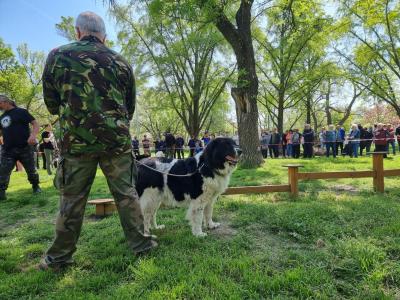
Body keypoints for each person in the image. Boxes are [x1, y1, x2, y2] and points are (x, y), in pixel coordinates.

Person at [40, 12, 156, 270]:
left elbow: (50, 103)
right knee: (127, 195)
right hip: (116, 141)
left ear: (78, 31)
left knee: (72, 199)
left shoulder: (57, 55)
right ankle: (142, 246)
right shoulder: (121, 61)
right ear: (103, 36)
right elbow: (129, 106)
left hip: (76, 142)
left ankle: (58, 259)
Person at [0, 95, 42, 200]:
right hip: (8, 150)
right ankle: (1, 193)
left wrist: (33, 136)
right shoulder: (2, 117)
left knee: (31, 170)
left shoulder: (22, 112)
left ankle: (36, 186)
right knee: (3, 171)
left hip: (25, 147)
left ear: (5, 101)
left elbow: (35, 124)